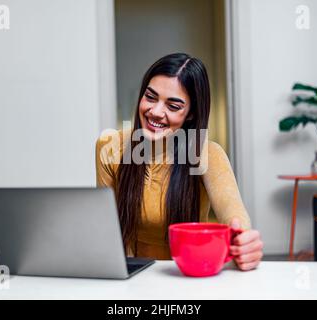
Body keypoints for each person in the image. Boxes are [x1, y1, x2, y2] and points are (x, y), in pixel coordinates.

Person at [96, 53, 263, 271]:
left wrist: (244, 239)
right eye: (150, 97)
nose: (155, 112)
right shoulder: (110, 146)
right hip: (130, 276)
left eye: (173, 106)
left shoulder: (207, 154)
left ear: (191, 114)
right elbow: (105, 227)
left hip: (187, 276)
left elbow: (233, 213)